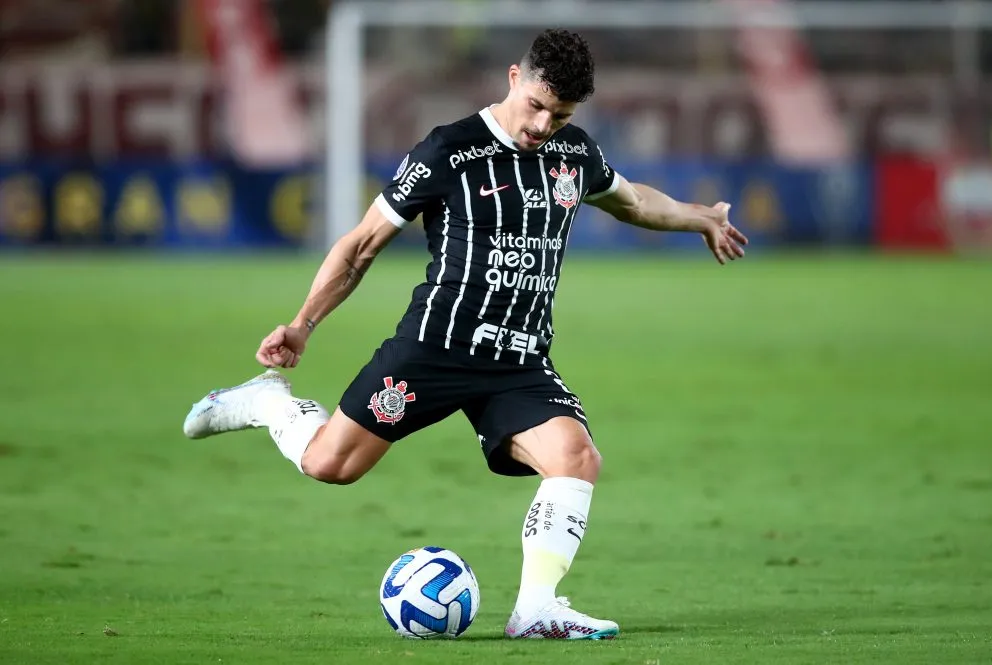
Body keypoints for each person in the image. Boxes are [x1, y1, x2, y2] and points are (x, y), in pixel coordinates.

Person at [183, 28, 748, 640]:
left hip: (519, 360)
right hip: (435, 349)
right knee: (330, 466)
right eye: (536, 105)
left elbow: (634, 202)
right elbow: (359, 248)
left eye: (559, 115)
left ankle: (535, 608)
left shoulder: (573, 154)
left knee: (576, 456)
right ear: (514, 77)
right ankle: (269, 402)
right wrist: (301, 325)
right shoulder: (448, 151)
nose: (542, 125)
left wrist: (700, 218)